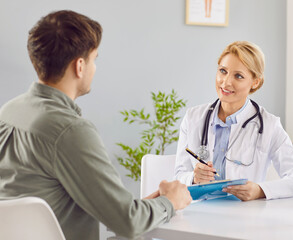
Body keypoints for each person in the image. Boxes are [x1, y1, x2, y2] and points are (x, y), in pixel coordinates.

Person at [0, 10, 191, 240]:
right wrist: (170, 202)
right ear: (79, 66)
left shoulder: (9, 111)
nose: (95, 68)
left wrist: (142, 207)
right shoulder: (70, 131)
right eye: (94, 59)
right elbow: (127, 222)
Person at [174, 41, 293, 201]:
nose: (226, 82)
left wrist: (260, 190)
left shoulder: (269, 125)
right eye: (223, 71)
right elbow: (179, 176)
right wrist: (193, 178)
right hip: (196, 213)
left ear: (255, 82)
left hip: (244, 215)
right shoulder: (193, 118)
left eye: (238, 76)